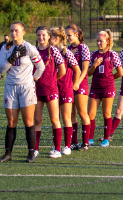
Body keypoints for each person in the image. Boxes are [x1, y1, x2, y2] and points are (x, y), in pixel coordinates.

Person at [0, 21, 45, 163]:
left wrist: (34, 79)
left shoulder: (29, 48)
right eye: (12, 30)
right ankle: (8, 153)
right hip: (11, 87)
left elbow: (40, 66)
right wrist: (12, 58)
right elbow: (2, 69)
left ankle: (31, 152)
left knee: (28, 120)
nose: (14, 33)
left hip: (26, 88)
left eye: (17, 30)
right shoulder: (5, 48)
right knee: (11, 121)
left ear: (23, 32)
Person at [34, 26, 66, 158]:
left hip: (51, 90)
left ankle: (57, 149)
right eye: (38, 35)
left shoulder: (53, 50)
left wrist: (52, 80)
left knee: (55, 119)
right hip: (36, 90)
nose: (41, 37)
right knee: (37, 120)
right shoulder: (33, 51)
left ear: (49, 37)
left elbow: (62, 70)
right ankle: (35, 149)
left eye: (43, 35)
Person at [88, 29, 123, 147]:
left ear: (107, 41)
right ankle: (90, 138)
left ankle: (106, 139)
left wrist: (111, 78)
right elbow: (88, 73)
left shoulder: (112, 54)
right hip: (95, 87)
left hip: (108, 88)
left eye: (101, 41)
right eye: (97, 41)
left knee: (106, 114)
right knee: (90, 114)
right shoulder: (93, 55)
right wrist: (94, 65)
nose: (99, 43)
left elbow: (120, 72)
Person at [50, 27, 81, 155]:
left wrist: (74, 84)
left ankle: (67, 146)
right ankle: (56, 146)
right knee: (54, 119)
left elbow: (77, 70)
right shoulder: (49, 52)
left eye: (49, 37)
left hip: (65, 89)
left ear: (56, 38)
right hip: (53, 89)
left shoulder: (66, 52)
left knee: (66, 117)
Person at [65, 24, 91, 151]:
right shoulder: (67, 49)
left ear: (76, 34)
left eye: (69, 35)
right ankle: (74, 142)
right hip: (68, 84)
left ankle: (85, 143)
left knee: (82, 113)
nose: (67, 38)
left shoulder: (83, 48)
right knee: (71, 114)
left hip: (80, 83)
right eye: (66, 36)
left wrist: (77, 83)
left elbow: (85, 69)